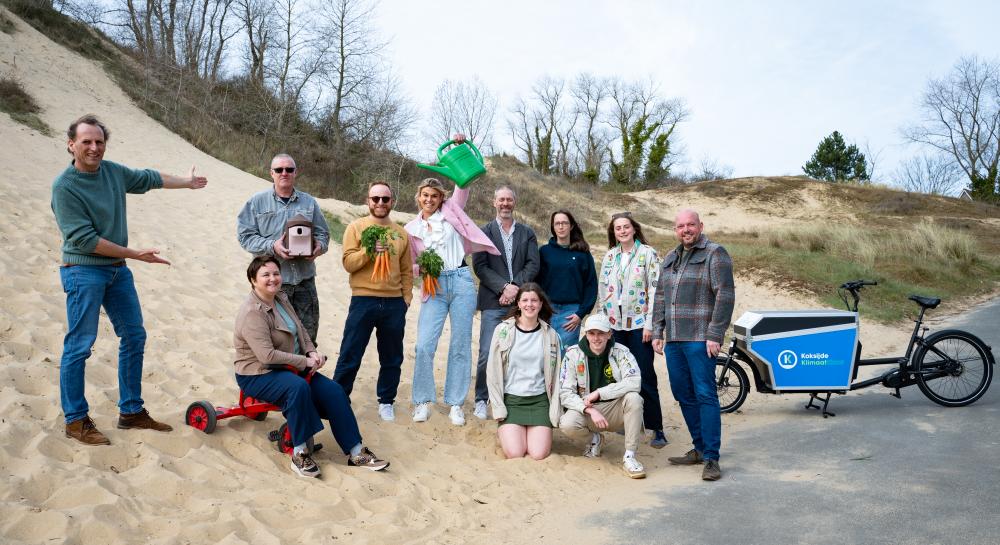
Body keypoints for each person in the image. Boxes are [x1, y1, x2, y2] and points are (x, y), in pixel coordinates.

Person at [51, 114, 208, 445]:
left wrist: (186, 182)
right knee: (80, 344)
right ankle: (75, 420)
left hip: (117, 270)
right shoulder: (64, 187)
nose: (94, 147)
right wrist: (135, 253)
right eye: (86, 141)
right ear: (71, 145)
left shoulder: (112, 172)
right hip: (83, 270)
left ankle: (131, 412)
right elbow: (86, 240)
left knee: (134, 336)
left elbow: (148, 178)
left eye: (99, 141)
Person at [235, 256, 389, 478]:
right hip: (259, 372)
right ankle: (299, 453)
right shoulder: (252, 312)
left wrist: (311, 352)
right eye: (265, 275)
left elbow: (300, 329)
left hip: (289, 367)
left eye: (276, 273)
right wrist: (304, 362)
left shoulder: (281, 298)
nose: (272, 278)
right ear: (253, 280)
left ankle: (356, 452)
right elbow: (266, 356)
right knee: (297, 388)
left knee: (334, 391)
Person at [404, 169, 500, 425]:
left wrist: (457, 154)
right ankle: (422, 401)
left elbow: (463, 184)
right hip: (432, 285)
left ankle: (456, 403)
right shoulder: (410, 229)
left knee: (460, 344)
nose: (429, 199)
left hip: (460, 280)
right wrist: (422, 269)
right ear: (419, 197)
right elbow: (410, 265)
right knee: (424, 345)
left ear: (441, 198)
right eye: (425, 195)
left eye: (435, 196)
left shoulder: (452, 211)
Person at [652, 209, 735, 482]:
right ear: (675, 230)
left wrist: (715, 334)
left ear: (700, 226)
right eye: (680, 226)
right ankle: (699, 447)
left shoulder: (715, 253)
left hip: (700, 338)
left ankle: (711, 457)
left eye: (690, 225)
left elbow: (725, 295)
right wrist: (658, 331)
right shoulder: (670, 258)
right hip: (675, 339)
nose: (685, 230)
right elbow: (661, 297)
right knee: (682, 393)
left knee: (705, 394)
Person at [332, 181, 412, 421]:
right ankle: (338, 399)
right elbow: (348, 263)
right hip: (363, 299)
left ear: (391, 202)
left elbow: (407, 270)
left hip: (394, 303)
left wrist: (406, 298)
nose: (380, 203)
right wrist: (369, 250)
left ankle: (386, 401)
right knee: (350, 352)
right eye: (375, 198)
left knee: (392, 357)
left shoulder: (400, 233)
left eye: (385, 199)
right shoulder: (356, 227)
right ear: (368, 201)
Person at [237, 153, 331, 344]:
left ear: (296, 172)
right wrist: (272, 246)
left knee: (308, 337)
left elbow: (323, 234)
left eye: (289, 169)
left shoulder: (309, 202)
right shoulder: (256, 202)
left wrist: (318, 247)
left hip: (304, 281)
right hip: (272, 284)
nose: (284, 173)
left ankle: (306, 364)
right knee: (277, 339)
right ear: (271, 173)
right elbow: (245, 237)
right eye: (279, 170)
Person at [598, 212, 668, 449]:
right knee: (619, 374)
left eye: (626, 227)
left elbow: (656, 290)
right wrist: (603, 323)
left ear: (634, 229)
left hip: (639, 326)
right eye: (618, 228)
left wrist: (650, 324)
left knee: (645, 375)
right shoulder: (610, 256)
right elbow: (602, 290)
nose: (622, 231)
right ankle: (627, 421)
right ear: (613, 232)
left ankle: (656, 427)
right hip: (615, 325)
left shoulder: (648, 254)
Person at [472, 186, 540, 420]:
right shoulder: (483, 232)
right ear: (494, 202)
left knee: (517, 354)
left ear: (514, 203)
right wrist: (503, 287)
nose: (505, 204)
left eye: (509, 200)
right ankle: (481, 399)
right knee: (486, 353)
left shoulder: (527, 233)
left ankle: (509, 397)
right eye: (501, 199)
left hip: (521, 303)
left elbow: (533, 264)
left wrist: (514, 288)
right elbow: (480, 266)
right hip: (493, 301)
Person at [558, 313, 647, 479]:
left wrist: (600, 393)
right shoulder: (572, 354)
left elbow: (634, 381)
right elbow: (565, 392)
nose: (596, 338)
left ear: (609, 334)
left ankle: (630, 456)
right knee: (567, 424)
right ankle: (595, 439)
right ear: (586, 334)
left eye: (601, 333)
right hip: (589, 410)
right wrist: (588, 409)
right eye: (591, 333)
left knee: (634, 398)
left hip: (616, 408)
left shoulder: (622, 352)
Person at [485, 283, 562, 460]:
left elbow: (557, 375)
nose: (529, 304)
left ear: (541, 304)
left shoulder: (551, 335)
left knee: (538, 454)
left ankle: (532, 431)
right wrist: (498, 407)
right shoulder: (503, 330)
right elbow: (492, 372)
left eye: (534, 300)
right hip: (512, 401)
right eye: (525, 300)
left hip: (539, 401)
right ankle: (510, 431)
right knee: (515, 453)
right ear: (518, 304)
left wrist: (555, 409)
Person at [536, 209, 597, 351]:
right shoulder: (544, 252)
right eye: (557, 223)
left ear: (571, 226)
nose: (561, 226)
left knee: (565, 354)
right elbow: (536, 283)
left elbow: (591, 285)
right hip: (547, 310)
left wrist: (580, 314)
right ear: (553, 227)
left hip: (571, 313)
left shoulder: (583, 253)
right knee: (544, 353)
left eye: (564, 223)